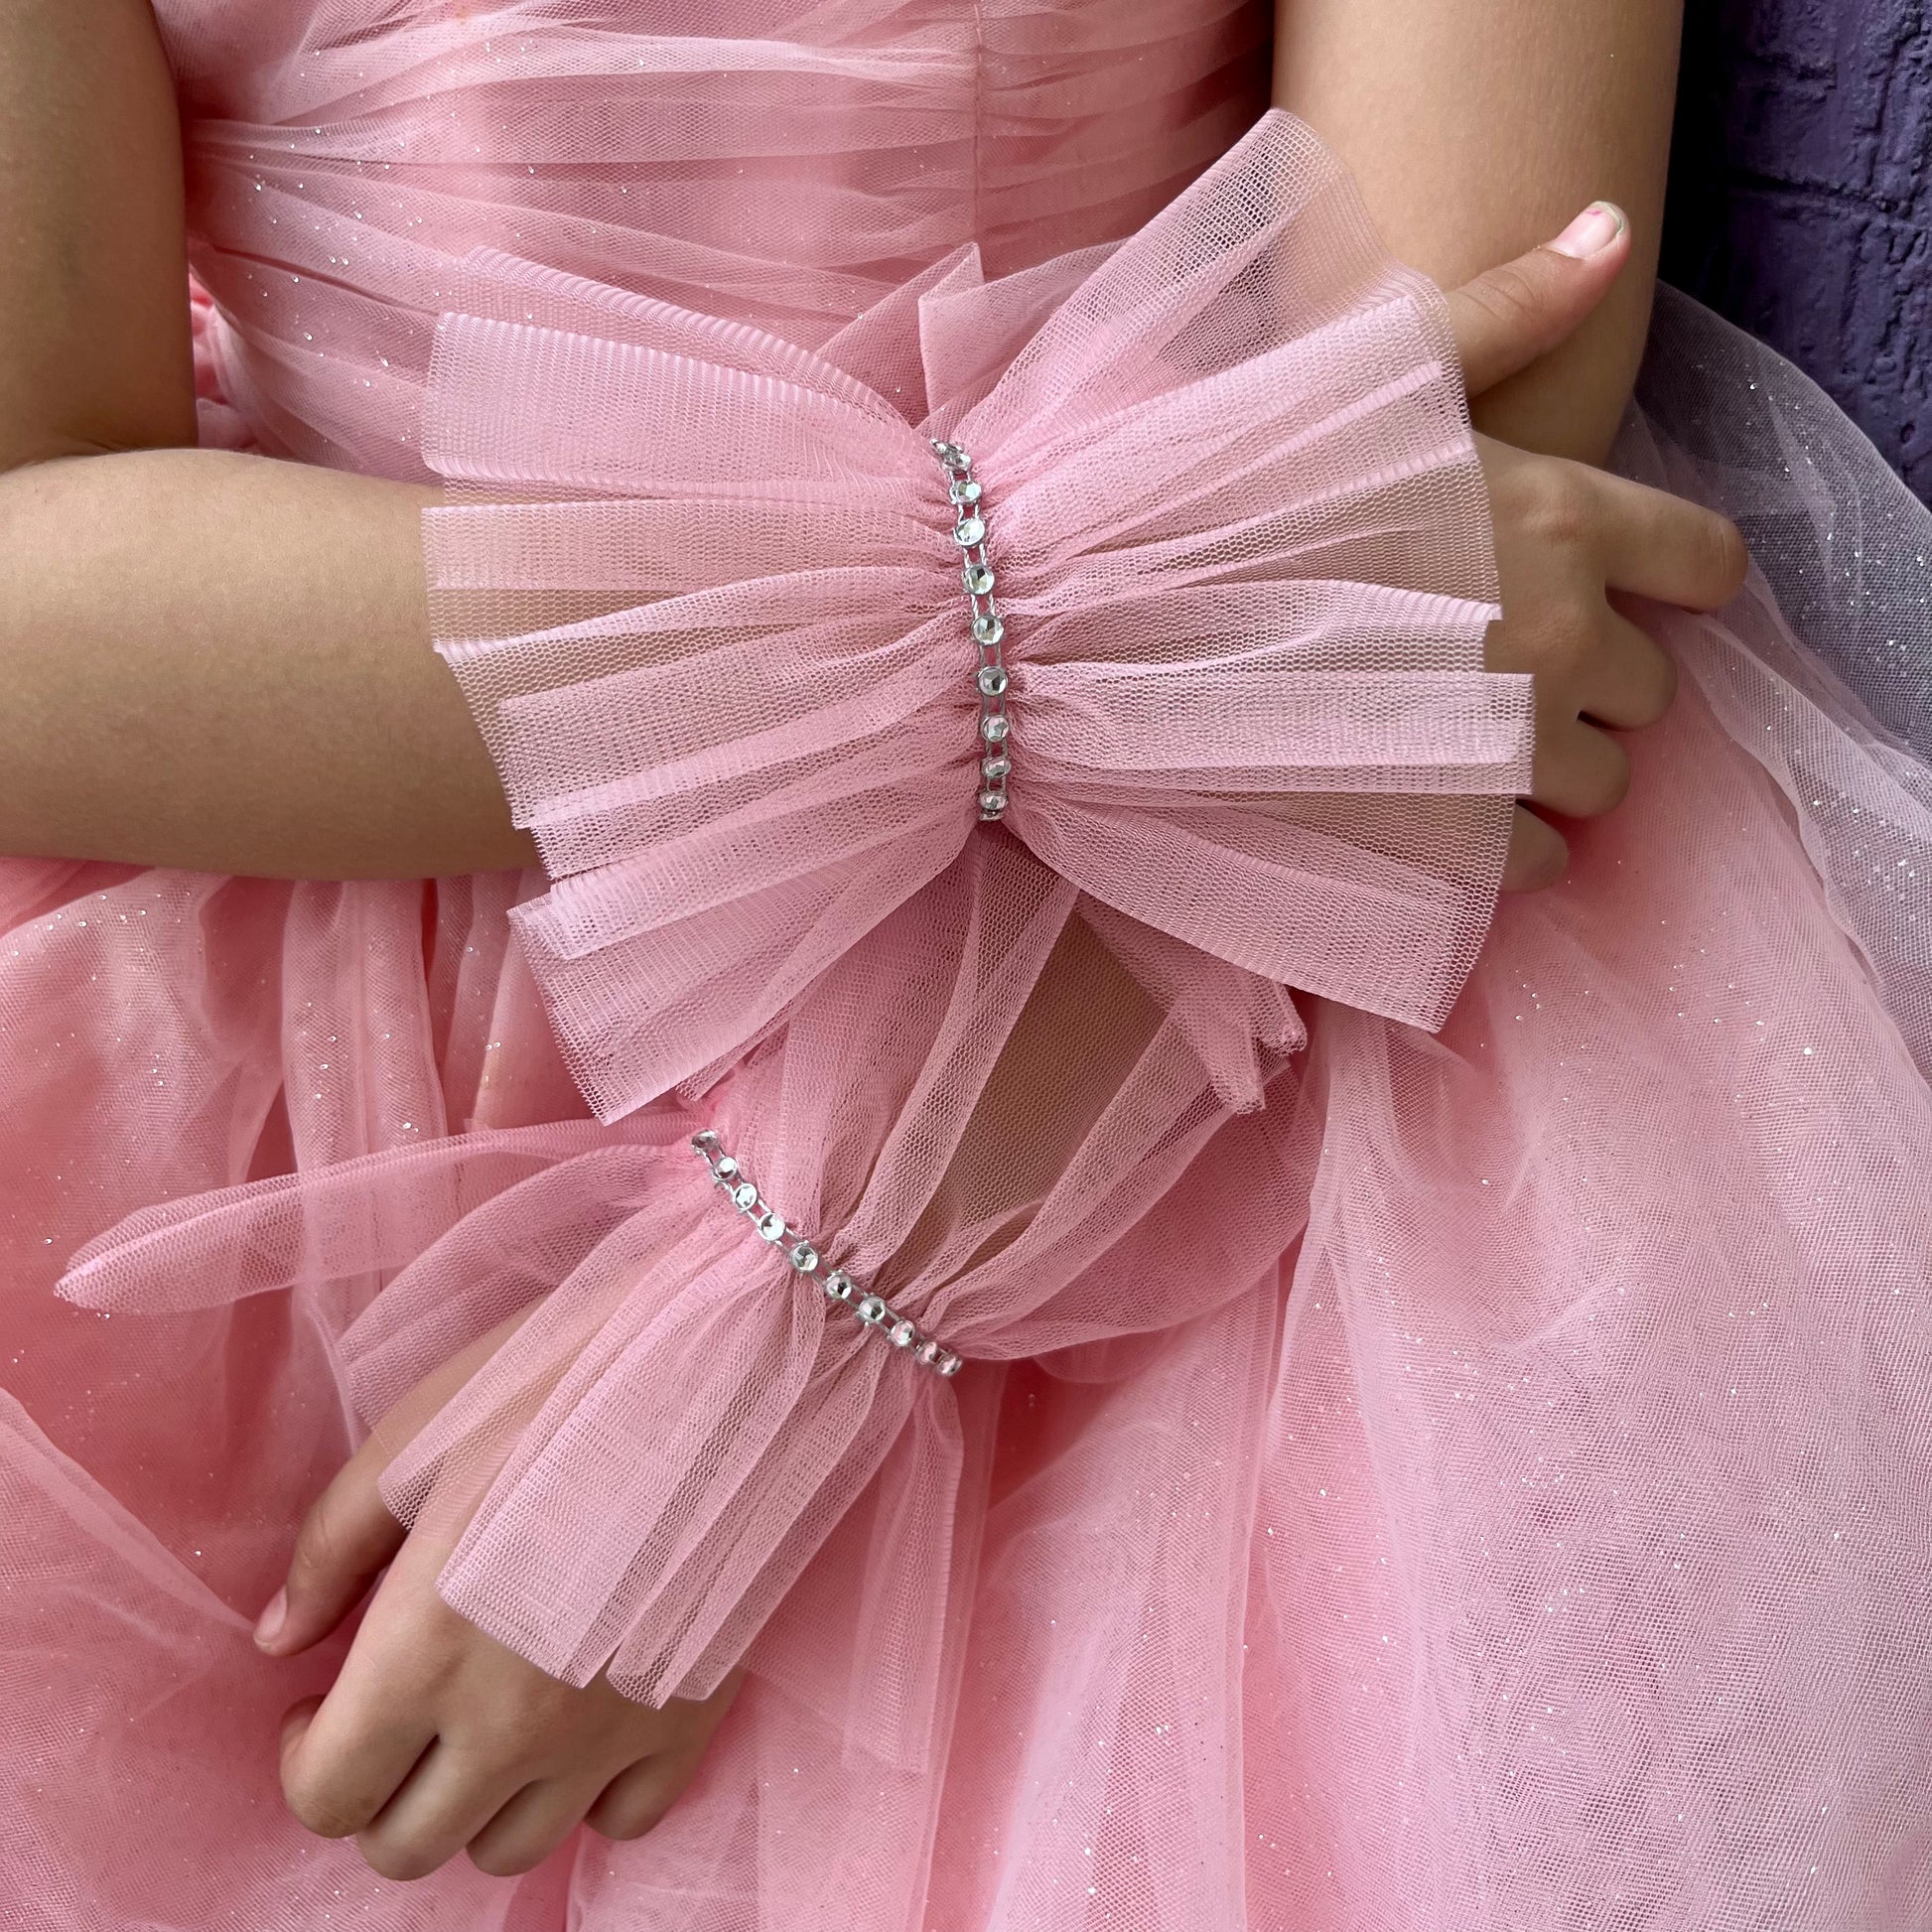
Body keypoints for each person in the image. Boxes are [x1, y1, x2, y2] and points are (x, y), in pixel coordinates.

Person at [3, 3, 1929, 1927]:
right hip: (285, 861)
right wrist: (1065, 606)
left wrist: (790, 1297)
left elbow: (1451, 542)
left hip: (1190, 1032)